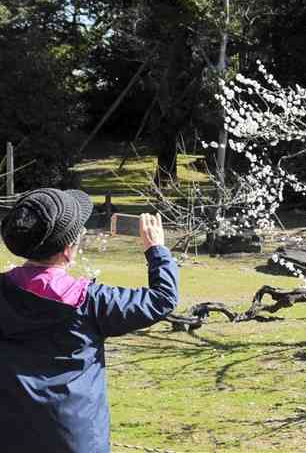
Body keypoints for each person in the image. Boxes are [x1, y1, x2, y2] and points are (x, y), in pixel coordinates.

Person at [0, 188, 179, 452]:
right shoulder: (91, 302)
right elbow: (162, 299)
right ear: (68, 251)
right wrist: (157, 251)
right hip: (77, 440)